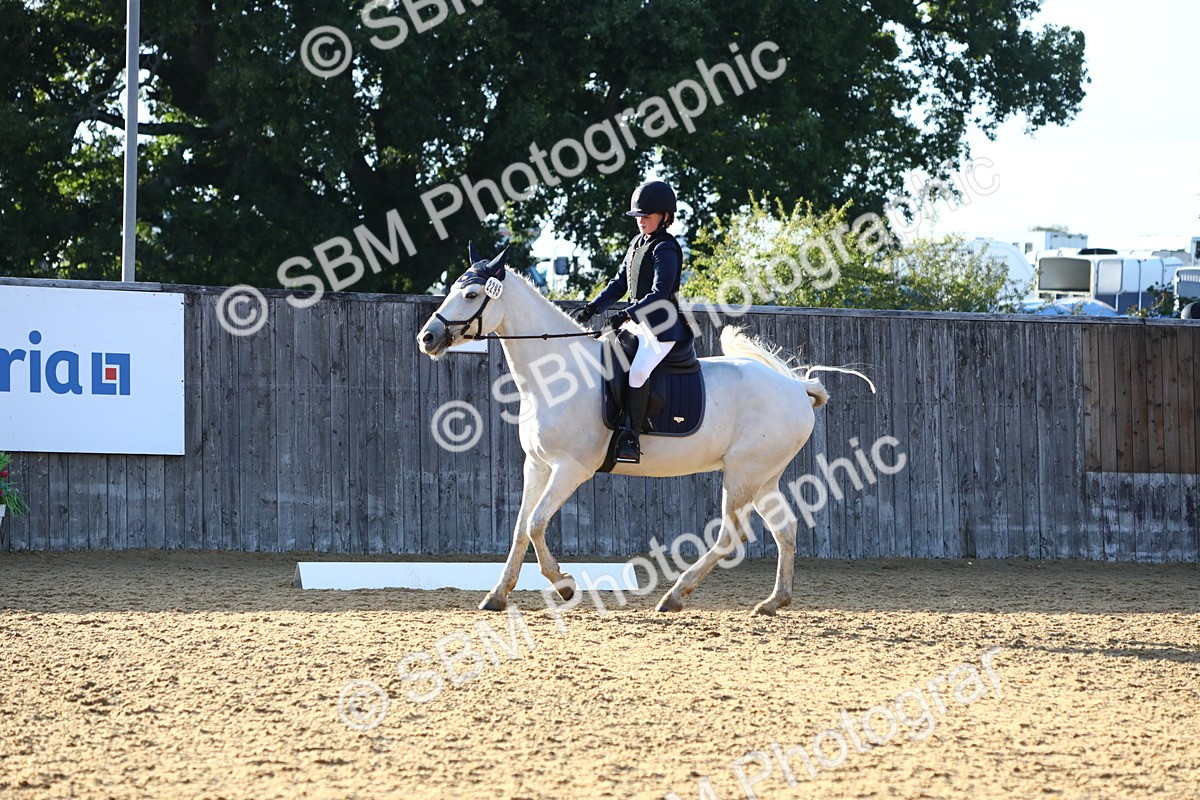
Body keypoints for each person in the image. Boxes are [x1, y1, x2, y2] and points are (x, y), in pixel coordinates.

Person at [572, 179, 693, 463]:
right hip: (637, 323)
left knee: (638, 371)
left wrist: (627, 314)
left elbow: (660, 293)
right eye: (638, 216)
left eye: (647, 216)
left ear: (665, 216)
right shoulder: (637, 243)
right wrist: (592, 307)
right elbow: (618, 284)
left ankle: (631, 435)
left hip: (662, 328)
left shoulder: (666, 248)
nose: (641, 221)